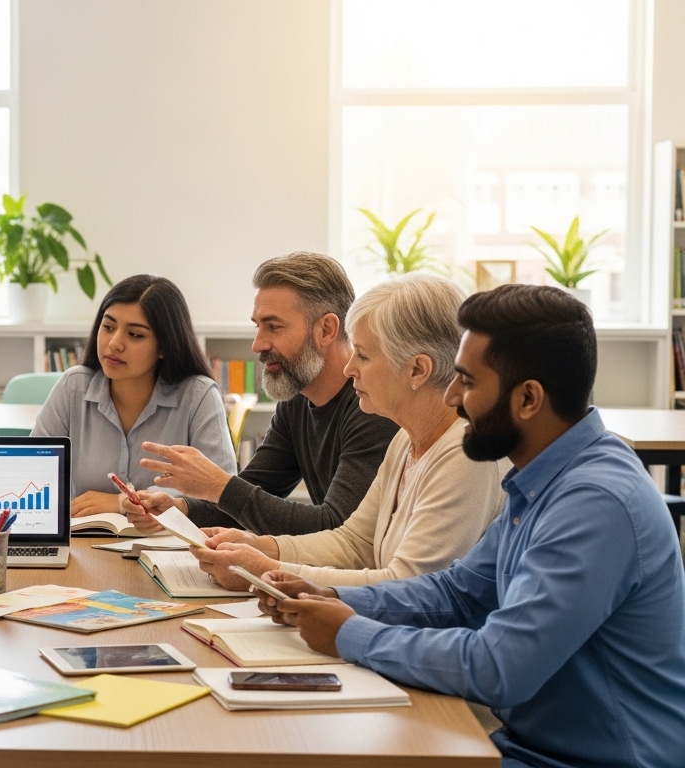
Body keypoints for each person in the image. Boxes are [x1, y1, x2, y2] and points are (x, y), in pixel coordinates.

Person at [257, 284, 685, 768]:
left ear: (527, 399)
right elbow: (458, 593)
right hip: (526, 745)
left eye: (467, 381)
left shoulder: (596, 502)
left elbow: (500, 666)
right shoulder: (544, 476)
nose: (453, 396)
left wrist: (351, 634)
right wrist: (334, 598)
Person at [184, 274, 508, 589]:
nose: (350, 367)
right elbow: (354, 542)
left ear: (418, 370)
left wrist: (269, 572)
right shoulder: (405, 440)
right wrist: (266, 548)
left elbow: (409, 586)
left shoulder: (466, 454)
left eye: (363, 355)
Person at [125, 251, 400, 534]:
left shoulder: (373, 405)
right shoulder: (296, 399)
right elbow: (250, 497)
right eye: (258, 327)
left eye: (273, 327)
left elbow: (336, 528)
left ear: (326, 330)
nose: (257, 344)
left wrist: (218, 485)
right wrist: (180, 508)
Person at [31, 274, 235, 517]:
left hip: (165, 547)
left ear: (164, 346)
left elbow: (221, 493)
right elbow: (32, 472)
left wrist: (120, 504)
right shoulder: (73, 387)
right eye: (108, 327)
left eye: (135, 335)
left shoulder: (198, 395)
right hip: (85, 541)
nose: (114, 343)